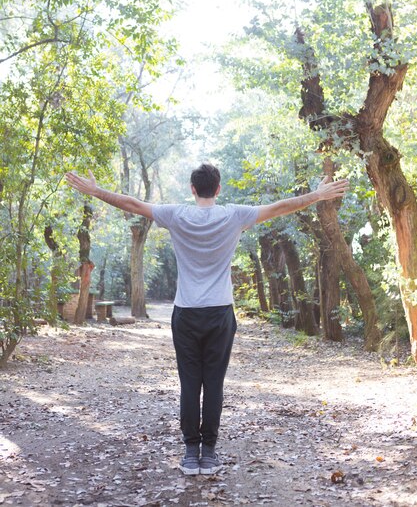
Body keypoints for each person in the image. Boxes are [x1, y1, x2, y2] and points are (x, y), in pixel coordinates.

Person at [65, 163, 348, 475]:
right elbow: (281, 207)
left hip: (185, 313)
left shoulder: (176, 215)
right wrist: (317, 195)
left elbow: (132, 203)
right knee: (213, 383)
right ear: (218, 189)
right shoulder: (234, 215)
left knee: (190, 383)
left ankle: (191, 453)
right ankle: (209, 453)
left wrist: (96, 191)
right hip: (220, 313)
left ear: (191, 188)